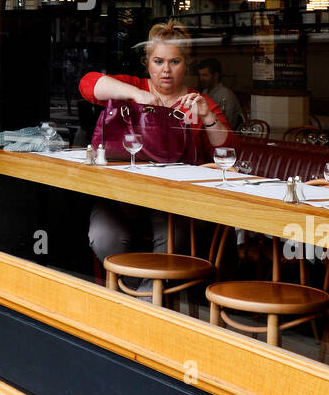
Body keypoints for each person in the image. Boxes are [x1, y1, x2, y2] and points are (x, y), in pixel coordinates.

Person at [79, 21, 231, 276]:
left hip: (172, 202)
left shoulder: (196, 101)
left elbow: (228, 150)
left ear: (187, 63)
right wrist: (136, 95)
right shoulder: (132, 86)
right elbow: (87, 85)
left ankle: (147, 303)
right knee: (104, 237)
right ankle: (131, 298)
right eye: (158, 61)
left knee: (173, 243)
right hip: (120, 194)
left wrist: (207, 117)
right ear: (147, 62)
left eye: (175, 62)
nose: (166, 71)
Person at [196, 57, 244, 130]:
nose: (201, 79)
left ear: (215, 76)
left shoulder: (226, 95)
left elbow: (227, 124)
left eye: (205, 75)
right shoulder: (205, 92)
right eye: (200, 75)